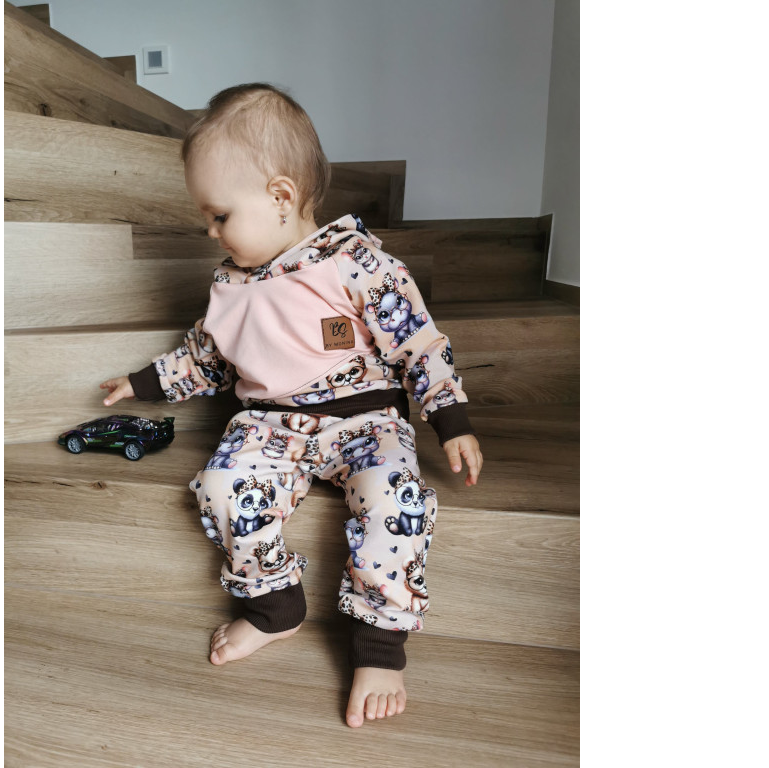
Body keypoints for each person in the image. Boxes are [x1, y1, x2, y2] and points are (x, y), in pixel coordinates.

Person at [99, 83, 483, 729]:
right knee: (222, 486)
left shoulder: (357, 264)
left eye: (219, 215)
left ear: (280, 196)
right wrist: (143, 383)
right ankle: (274, 605)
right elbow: (207, 356)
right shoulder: (230, 284)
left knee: (394, 500)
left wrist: (450, 420)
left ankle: (379, 644)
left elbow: (417, 343)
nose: (210, 231)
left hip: (366, 421)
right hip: (269, 424)